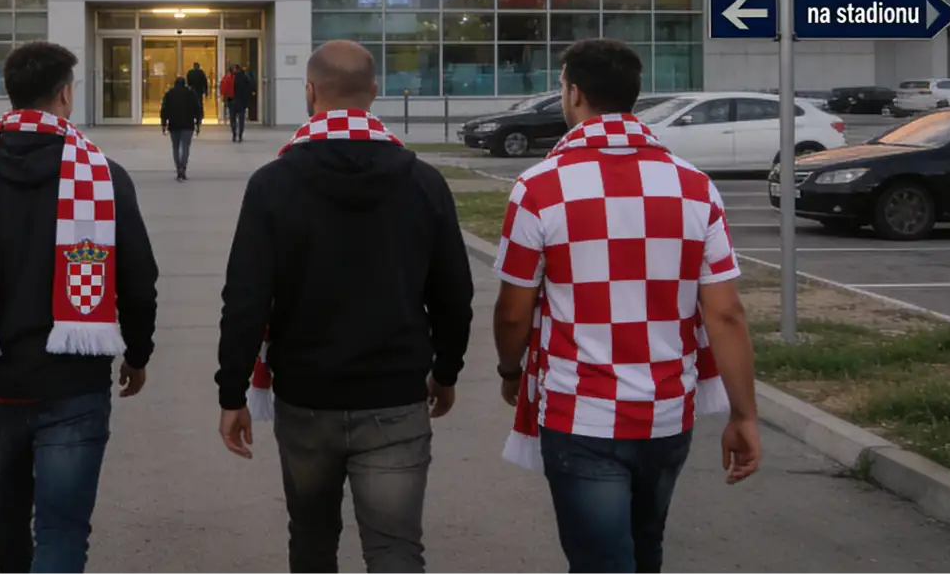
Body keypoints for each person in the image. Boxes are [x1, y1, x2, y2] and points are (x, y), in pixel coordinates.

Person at [491, 38, 760, 574]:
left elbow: (513, 311)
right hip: (666, 414)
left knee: (600, 562)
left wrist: (509, 369)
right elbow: (725, 314)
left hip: (579, 413)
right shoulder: (695, 188)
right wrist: (744, 413)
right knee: (645, 550)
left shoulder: (539, 188)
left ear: (573, 94)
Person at [216, 39, 475, 574]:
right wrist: (445, 371)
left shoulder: (272, 183)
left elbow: (245, 297)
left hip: (306, 397)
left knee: (312, 542)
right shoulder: (424, 182)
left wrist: (233, 391)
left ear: (309, 92)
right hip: (396, 395)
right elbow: (454, 293)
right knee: (396, 548)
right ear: (375, 93)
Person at [0, 41, 160, 574]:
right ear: (65, 95)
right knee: (63, 526)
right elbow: (139, 280)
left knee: (7, 506)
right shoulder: (104, 175)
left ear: (10, 93)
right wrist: (137, 354)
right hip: (74, 382)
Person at [160, 77, 202, 180]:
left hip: (174, 124)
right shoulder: (191, 94)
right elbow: (198, 109)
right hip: (188, 124)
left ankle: (178, 168)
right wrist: (198, 123)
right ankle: (183, 168)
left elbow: (164, 110)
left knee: (175, 147)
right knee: (185, 147)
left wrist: (163, 124)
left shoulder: (169, 94)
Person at [233, 63, 258, 141]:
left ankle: (234, 133)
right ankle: (240, 134)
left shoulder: (232, 77)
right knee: (241, 119)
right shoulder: (245, 77)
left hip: (233, 101)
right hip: (242, 101)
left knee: (233, 119)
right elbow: (250, 87)